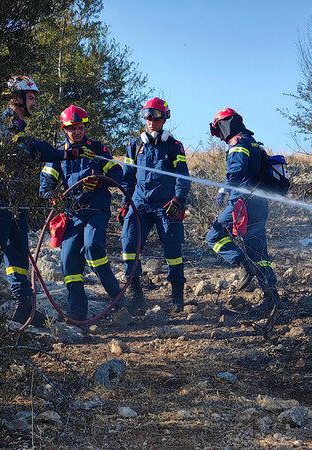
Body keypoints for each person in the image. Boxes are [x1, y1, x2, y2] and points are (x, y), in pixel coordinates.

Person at [0, 76, 88, 327]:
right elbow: (31, 148)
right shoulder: (2, 125)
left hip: (15, 201)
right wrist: (65, 153)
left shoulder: (16, 125)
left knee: (17, 254)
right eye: (32, 97)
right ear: (17, 98)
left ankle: (24, 307)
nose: (35, 101)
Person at [40, 105, 125, 321]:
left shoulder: (97, 148)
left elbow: (117, 173)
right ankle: (77, 312)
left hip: (97, 208)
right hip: (73, 213)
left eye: (80, 127)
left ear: (84, 127)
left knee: (93, 248)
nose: (76, 132)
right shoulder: (59, 154)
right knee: (68, 259)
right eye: (72, 128)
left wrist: (99, 179)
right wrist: (52, 196)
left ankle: (119, 301)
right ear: (64, 129)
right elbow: (46, 183)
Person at [118, 97, 191, 314]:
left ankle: (177, 295)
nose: (151, 121)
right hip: (139, 203)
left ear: (164, 119)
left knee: (173, 249)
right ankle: (135, 293)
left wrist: (179, 199)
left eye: (156, 116)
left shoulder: (174, 146)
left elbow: (182, 176)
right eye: (147, 116)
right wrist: (125, 203)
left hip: (167, 205)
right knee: (129, 243)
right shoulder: (134, 145)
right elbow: (127, 177)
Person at [206, 108, 281, 316]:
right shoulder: (252, 141)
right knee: (259, 252)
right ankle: (272, 299)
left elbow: (237, 172)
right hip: (258, 203)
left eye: (218, 131)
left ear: (224, 125)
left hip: (241, 203)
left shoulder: (237, 143)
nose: (220, 137)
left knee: (213, 236)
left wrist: (223, 189)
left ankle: (242, 263)